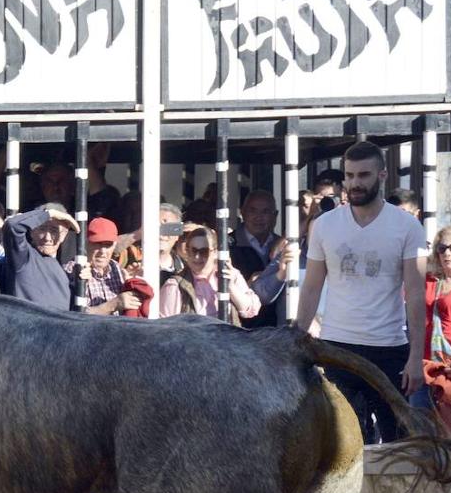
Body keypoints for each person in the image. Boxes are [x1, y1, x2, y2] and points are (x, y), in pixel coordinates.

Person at [296, 141, 429, 444]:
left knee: (397, 443)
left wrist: (416, 358)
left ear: (382, 175)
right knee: (345, 445)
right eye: (350, 175)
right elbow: (312, 286)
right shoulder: (325, 225)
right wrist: (297, 338)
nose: (355, 183)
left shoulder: (407, 226)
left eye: (363, 175)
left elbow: (416, 292)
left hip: (389, 346)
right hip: (337, 346)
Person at [416, 226, 451, 419]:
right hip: (424, 369)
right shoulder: (429, 280)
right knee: (421, 434)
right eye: (442, 249)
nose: (447, 253)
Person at [158, 225, 260, 323]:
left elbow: (250, 311)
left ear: (215, 252)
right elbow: (166, 327)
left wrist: (231, 288)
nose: (197, 257)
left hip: (226, 338)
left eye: (204, 251)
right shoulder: (175, 285)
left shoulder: (230, 275)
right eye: (193, 251)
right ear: (187, 252)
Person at [4, 203, 78, 312]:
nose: (47, 238)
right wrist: (49, 214)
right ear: (32, 231)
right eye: (42, 229)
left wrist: (77, 281)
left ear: (64, 235)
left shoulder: (59, 267)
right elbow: (12, 226)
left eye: (54, 230)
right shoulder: (24, 257)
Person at [230, 190, 284, 328]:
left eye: (265, 212)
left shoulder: (283, 247)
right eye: (252, 211)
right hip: (239, 328)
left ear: (275, 216)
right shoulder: (228, 245)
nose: (258, 217)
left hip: (276, 329)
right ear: (242, 212)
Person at [70, 217, 137, 316]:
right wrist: (114, 304)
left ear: (115, 245)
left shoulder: (115, 268)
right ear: (86, 243)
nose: (103, 251)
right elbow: (74, 315)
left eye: (108, 245)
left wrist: (132, 284)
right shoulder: (73, 270)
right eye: (97, 244)